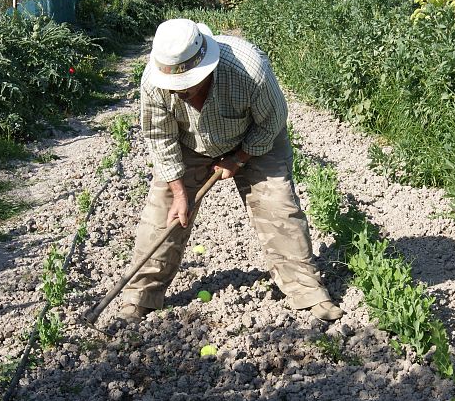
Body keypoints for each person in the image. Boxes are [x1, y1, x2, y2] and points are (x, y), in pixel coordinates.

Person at [116, 18, 343, 324]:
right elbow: (160, 138)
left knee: (279, 207)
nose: (178, 92)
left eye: (185, 85)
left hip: (254, 137)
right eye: (174, 87)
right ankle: (140, 296)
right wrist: (180, 193)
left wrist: (238, 158)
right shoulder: (154, 82)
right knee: (163, 215)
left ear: (205, 68)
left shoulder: (249, 70)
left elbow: (272, 122)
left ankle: (307, 291)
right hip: (188, 142)